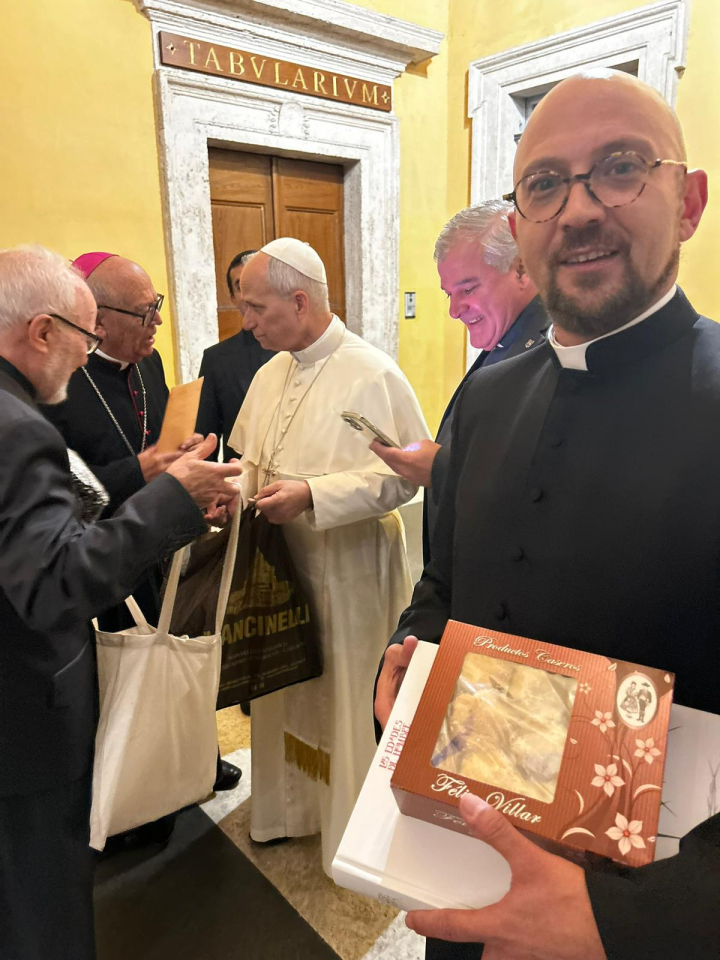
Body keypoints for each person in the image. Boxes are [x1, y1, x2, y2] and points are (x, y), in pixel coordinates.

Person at [376, 71, 720, 960]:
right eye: (545, 184)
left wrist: (630, 922)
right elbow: (443, 585)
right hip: (462, 872)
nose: (579, 210)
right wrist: (407, 662)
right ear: (520, 227)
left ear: (688, 203)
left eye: (621, 168)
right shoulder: (488, 398)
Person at [0, 244, 241, 960]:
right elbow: (55, 583)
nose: (87, 355)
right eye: (83, 337)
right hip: (22, 716)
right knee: (42, 909)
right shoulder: (17, 428)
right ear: (42, 330)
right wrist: (174, 499)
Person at [228, 237, 430, 874]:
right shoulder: (270, 371)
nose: (247, 323)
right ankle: (289, 812)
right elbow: (252, 460)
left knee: (344, 692)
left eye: (256, 308)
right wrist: (227, 489)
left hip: (349, 566)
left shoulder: (372, 372)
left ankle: (350, 831)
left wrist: (314, 494)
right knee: (287, 688)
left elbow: (402, 479)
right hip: (282, 565)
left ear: (299, 301)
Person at [43, 252, 241, 805]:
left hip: (160, 539)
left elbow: (160, 445)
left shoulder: (148, 366)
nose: (157, 322)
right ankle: (133, 792)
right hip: (101, 550)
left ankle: (195, 758)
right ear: (99, 321)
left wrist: (188, 479)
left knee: (178, 650)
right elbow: (66, 489)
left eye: (157, 306)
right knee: (123, 674)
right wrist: (145, 470)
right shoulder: (59, 382)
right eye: (143, 312)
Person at [371, 202, 547, 562]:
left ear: (522, 269)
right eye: (449, 294)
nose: (454, 310)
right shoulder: (509, 337)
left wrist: (440, 468)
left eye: (467, 290)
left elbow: (543, 488)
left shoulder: (554, 350)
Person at [196, 249, 276, 461]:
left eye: (258, 282)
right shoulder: (216, 359)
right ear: (232, 298)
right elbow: (206, 441)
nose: (251, 292)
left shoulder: (300, 348)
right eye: (241, 286)